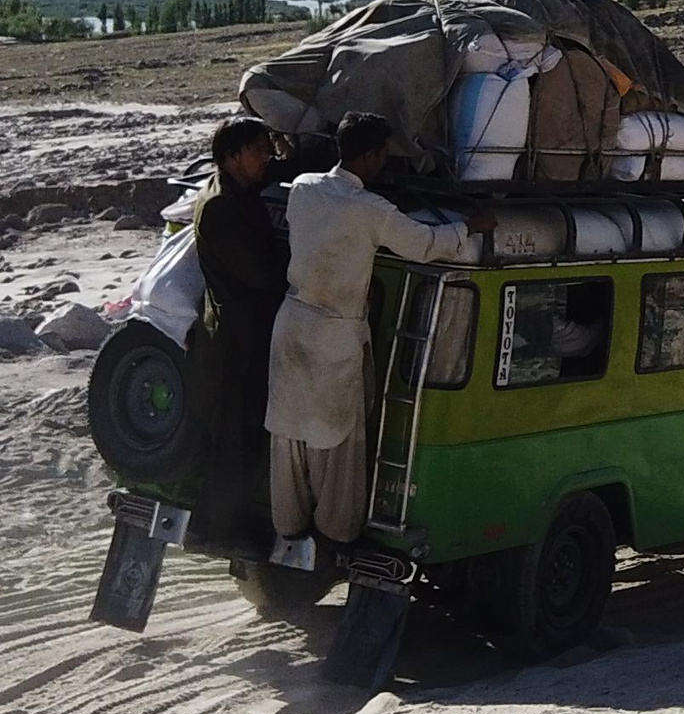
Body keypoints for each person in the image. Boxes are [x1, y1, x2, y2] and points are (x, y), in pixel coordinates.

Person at [266, 112, 489, 547]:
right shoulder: (371, 210)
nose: (384, 163)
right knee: (337, 439)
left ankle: (288, 524)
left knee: (289, 430)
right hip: (335, 333)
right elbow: (424, 245)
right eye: (382, 155)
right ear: (369, 156)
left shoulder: (305, 189)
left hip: (291, 324)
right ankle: (336, 532)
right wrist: (469, 226)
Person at [192, 115, 288, 540]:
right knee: (235, 433)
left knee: (248, 429)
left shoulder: (239, 191)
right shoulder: (221, 207)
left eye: (268, 149)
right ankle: (222, 526)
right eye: (257, 151)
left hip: (246, 330)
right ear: (231, 157)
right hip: (237, 336)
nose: (265, 158)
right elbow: (260, 274)